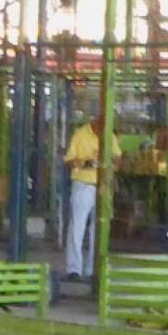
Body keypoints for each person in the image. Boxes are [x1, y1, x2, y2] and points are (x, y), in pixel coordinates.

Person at [62, 99, 100, 280]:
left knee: (97, 230)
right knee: (77, 227)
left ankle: (92, 270)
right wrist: (85, 162)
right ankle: (73, 269)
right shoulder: (80, 135)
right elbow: (69, 160)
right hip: (83, 185)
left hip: (102, 187)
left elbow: (118, 158)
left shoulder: (110, 136)